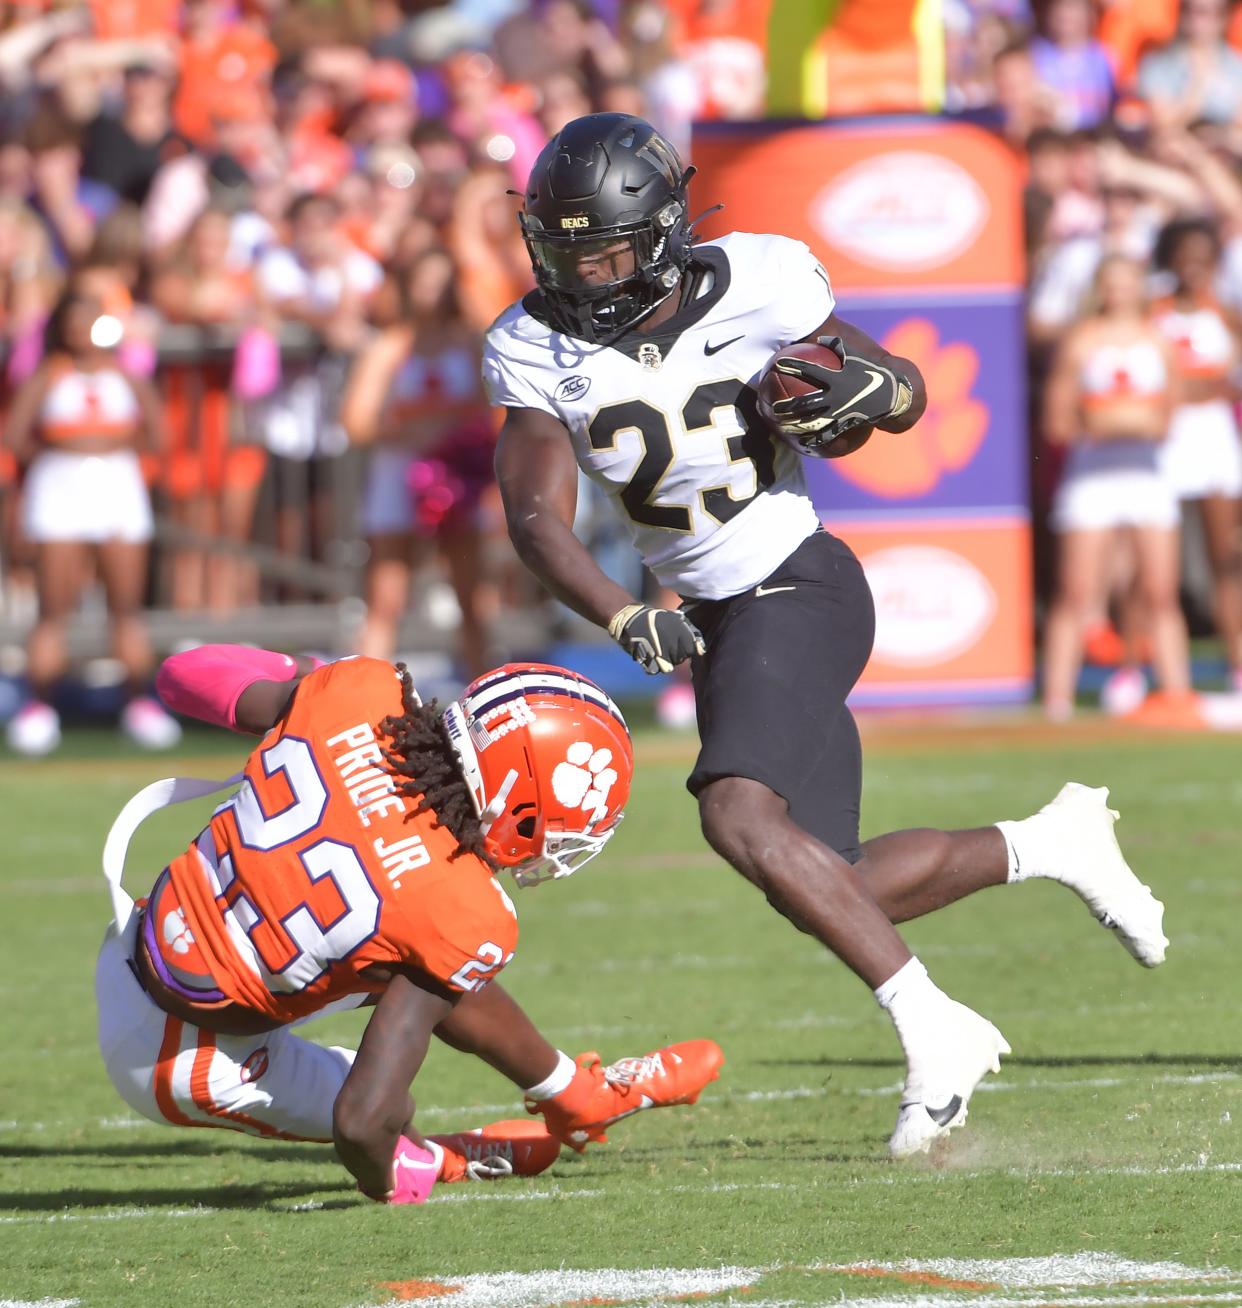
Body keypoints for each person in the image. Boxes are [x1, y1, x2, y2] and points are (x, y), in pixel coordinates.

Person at [484, 112, 1170, 1159]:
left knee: (734, 813)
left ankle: (933, 1027)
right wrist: (622, 613)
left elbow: (896, 389)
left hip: (798, 582)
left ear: (664, 230)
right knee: (831, 878)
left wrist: (878, 390)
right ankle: (1050, 844)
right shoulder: (532, 341)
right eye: (569, 249)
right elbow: (535, 517)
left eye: (610, 248)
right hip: (711, 614)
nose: (588, 273)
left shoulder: (760, 278)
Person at [95, 647, 723, 1203]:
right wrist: (385, 1181)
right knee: (401, 1065)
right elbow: (360, 1123)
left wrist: (303, 678)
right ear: (519, 803)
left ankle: (577, 1097)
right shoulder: (459, 909)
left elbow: (181, 676)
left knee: (419, 954)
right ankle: (434, 1159)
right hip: (179, 1056)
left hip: (145, 935)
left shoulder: (360, 690)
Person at [3, 289, 180, 755]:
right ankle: (40, 707)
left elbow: (159, 431)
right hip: (59, 490)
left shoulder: (125, 374)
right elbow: (16, 434)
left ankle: (138, 703)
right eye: (73, 321)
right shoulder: (49, 375)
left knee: (125, 604)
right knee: (53, 606)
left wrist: (114, 446)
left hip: (117, 489)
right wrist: (66, 451)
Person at [1040, 254, 1193, 722]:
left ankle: (1176, 694)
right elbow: (1058, 421)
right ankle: (1057, 702)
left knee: (1161, 590)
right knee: (1075, 591)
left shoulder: (1158, 342)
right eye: (1111, 283)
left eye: (1127, 283)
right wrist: (1111, 421)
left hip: (1146, 476)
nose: (1119, 291)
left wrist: (1120, 419)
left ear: (1140, 287)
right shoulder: (1082, 341)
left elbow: (1168, 417)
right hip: (1092, 478)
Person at [341, 246, 497, 674]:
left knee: (471, 591)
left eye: (439, 281)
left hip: (455, 476)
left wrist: (445, 432)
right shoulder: (389, 346)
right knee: (386, 591)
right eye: (423, 281)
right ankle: (367, 692)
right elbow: (356, 421)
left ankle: (482, 686)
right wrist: (412, 432)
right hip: (398, 474)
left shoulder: (469, 341)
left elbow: (487, 409)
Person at [1150, 218, 1242, 690]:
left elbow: (1230, 382)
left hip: (1213, 440)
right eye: (1184, 252)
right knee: (1150, 562)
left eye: (1202, 253)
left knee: (1224, 556)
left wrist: (1196, 388)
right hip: (1162, 439)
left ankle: (1236, 662)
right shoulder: (1153, 311)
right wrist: (1199, 387)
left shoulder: (1225, 313)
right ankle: (1147, 668)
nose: (1193, 263)